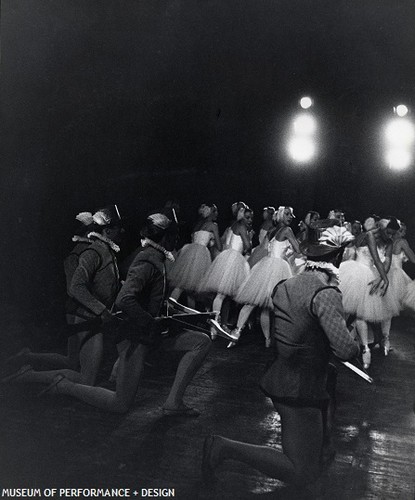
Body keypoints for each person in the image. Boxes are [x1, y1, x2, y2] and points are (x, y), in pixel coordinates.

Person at [202, 226, 360, 492]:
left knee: (312, 456)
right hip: (301, 387)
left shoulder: (285, 285)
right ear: (337, 257)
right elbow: (345, 350)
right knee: (301, 472)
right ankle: (223, 447)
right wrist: (351, 337)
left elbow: (297, 330)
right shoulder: (326, 294)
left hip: (283, 377)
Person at [38, 213, 212, 415]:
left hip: (146, 334)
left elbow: (149, 300)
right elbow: (124, 299)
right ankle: (64, 386)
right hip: (134, 337)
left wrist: (180, 313)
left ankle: (173, 402)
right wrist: (150, 321)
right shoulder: (147, 260)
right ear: (165, 238)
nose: (177, 239)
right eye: (174, 235)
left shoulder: (155, 258)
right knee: (119, 404)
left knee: (201, 342)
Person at [3, 206, 123, 387]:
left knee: (75, 365)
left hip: (91, 316)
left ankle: (28, 364)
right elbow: (75, 288)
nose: (121, 232)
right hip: (86, 316)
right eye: (116, 228)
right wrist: (102, 309)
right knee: (83, 375)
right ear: (106, 230)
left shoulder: (105, 251)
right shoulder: (92, 252)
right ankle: (28, 375)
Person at [230, 207, 299, 348]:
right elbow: (298, 250)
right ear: (280, 215)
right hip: (277, 268)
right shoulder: (287, 230)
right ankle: (280, 341)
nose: (290, 216)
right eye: (287, 214)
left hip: (267, 265)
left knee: (260, 306)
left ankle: (240, 333)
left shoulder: (272, 231)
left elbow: (263, 249)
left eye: (291, 214)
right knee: (274, 306)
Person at [339, 216, 401, 366]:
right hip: (358, 273)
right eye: (390, 233)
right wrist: (384, 279)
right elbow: (377, 259)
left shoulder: (389, 242)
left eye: (394, 234)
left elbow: (387, 262)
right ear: (383, 229)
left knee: (375, 312)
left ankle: (379, 341)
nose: (391, 236)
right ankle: (364, 348)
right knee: (357, 314)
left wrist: (381, 278)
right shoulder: (370, 235)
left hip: (374, 274)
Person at [199, 206, 252, 339]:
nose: (250, 220)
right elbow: (247, 247)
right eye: (247, 217)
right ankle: (215, 325)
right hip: (234, 259)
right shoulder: (242, 227)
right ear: (242, 217)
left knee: (224, 295)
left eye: (251, 218)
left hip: (227, 257)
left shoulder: (233, 225)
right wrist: (250, 237)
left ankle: (218, 324)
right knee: (222, 295)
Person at [169, 204, 222, 309]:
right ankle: (169, 306)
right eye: (215, 211)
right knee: (187, 286)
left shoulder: (198, 224)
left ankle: (186, 311)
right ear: (211, 212)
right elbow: (219, 247)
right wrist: (215, 242)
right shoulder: (213, 225)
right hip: (200, 254)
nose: (217, 214)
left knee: (187, 287)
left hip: (190, 251)